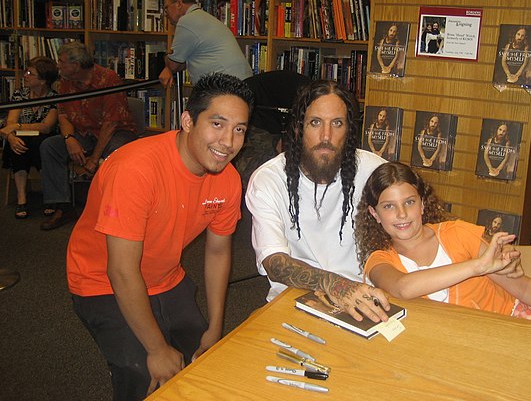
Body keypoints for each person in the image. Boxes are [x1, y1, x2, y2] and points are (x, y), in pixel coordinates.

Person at [66, 73, 254, 401]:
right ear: (187, 120)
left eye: (239, 129)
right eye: (218, 124)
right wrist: (155, 348)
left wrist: (215, 327)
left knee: (207, 359)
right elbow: (121, 271)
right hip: (101, 282)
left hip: (165, 276)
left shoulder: (228, 180)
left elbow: (218, 252)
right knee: (144, 372)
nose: (228, 142)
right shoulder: (136, 170)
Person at [355, 162, 531, 333]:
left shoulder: (459, 233)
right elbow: (403, 287)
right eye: (389, 206)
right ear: (375, 214)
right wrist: (478, 266)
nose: (402, 214)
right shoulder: (379, 261)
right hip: (453, 346)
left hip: (510, 326)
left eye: (410, 202)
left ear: (423, 203)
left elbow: (522, 289)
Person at [245, 80, 391, 323]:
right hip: (293, 299)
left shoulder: (374, 171)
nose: (326, 136)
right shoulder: (269, 180)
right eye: (315, 123)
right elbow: (274, 263)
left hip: (365, 299)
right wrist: (337, 285)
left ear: (349, 130)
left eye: (337, 123)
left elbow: (414, 227)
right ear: (298, 128)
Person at [39, 41, 138, 231]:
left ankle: (110, 209)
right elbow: (63, 113)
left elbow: (110, 123)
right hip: (82, 132)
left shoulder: (108, 79)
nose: (58, 65)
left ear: (76, 66)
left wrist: (93, 159)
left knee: (115, 153)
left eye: (62, 62)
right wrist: (69, 139)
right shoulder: (65, 82)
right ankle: (63, 206)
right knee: (50, 146)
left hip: (117, 131)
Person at [0, 57, 59, 219]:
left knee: (41, 143)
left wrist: (17, 127)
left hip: (43, 141)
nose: (25, 75)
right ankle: (21, 197)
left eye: (30, 73)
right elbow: (10, 121)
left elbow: (47, 126)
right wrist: (11, 137)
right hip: (20, 140)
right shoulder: (20, 94)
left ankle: (49, 195)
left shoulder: (54, 97)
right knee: (18, 144)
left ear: (43, 81)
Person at [159, 0, 253, 88]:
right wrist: (170, 65)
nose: (166, 14)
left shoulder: (187, 21)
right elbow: (180, 63)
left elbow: (174, 64)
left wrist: (167, 63)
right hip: (238, 82)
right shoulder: (202, 16)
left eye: (166, 9)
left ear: (178, 3)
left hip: (225, 85)